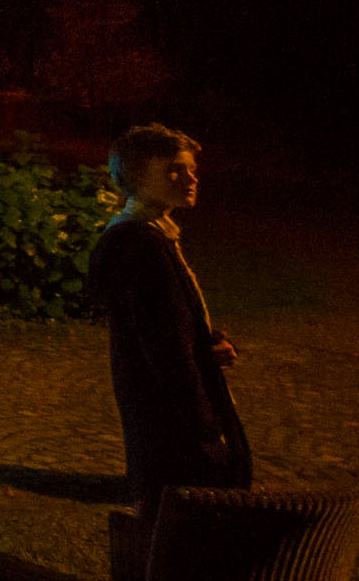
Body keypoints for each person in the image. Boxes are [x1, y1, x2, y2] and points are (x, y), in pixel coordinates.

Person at [89, 124, 250, 524]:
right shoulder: (138, 244)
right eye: (174, 170)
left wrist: (209, 341)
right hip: (168, 415)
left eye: (191, 169)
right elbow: (163, 346)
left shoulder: (153, 236)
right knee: (185, 514)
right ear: (135, 177)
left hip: (165, 407)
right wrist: (204, 426)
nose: (191, 178)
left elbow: (172, 318)